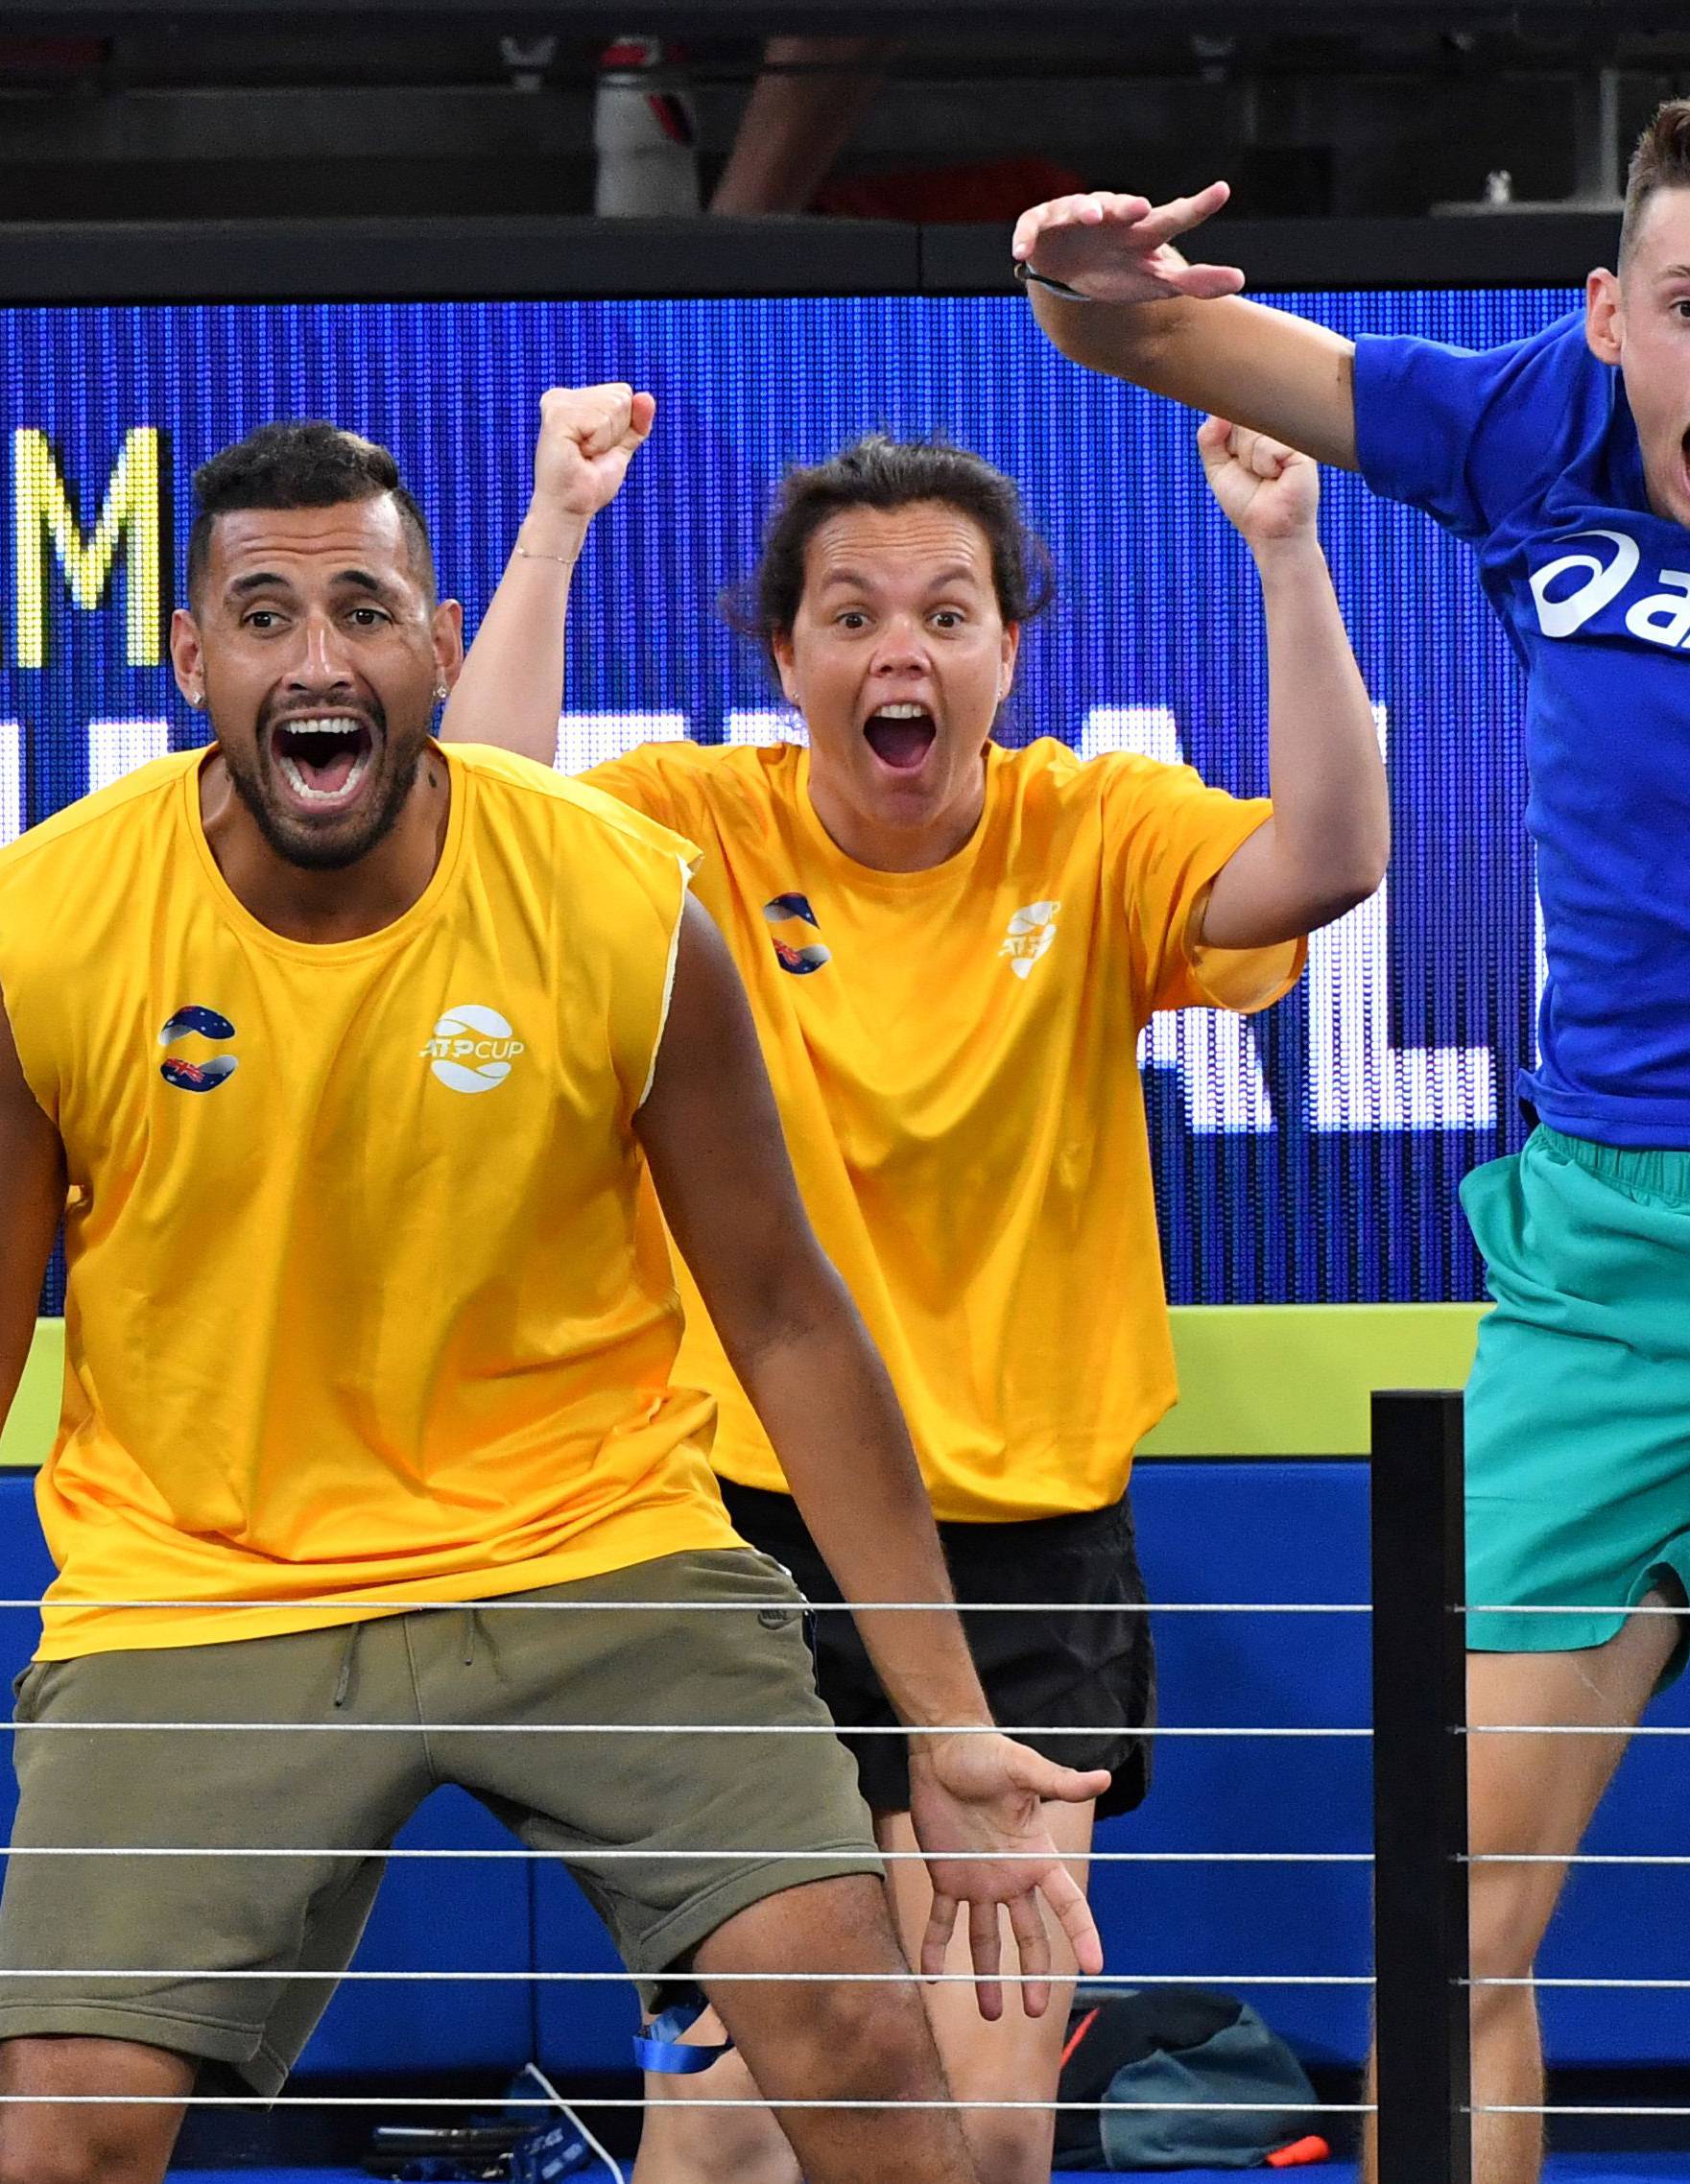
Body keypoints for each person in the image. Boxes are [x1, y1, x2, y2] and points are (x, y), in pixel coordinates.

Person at [0, 420, 1112, 2184]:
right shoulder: (45, 924)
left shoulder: (614, 904)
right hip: (198, 1582)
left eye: (364, 608)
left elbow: (785, 1312)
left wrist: (950, 1726)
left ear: (443, 646)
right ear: (191, 659)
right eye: (265, 614)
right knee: (58, 2132)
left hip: (595, 1546)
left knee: (875, 2065)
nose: (319, 659)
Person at [1012, 83, 1690, 2184]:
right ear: (1605, 320)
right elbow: (1140, 331)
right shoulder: (1523, 434)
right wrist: (1073, 275)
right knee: (1440, 1906)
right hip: (1612, 1264)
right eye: (1689, 308)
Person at [442, 388, 1389, 2182]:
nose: (904, 650)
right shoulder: (691, 829)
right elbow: (485, 818)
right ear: (788, 655)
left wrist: (1288, 548)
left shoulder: (1096, 835)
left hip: (1029, 1551)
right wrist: (558, 522)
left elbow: (1329, 859)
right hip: (745, 1537)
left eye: (948, 613)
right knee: (727, 2142)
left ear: (1007, 650)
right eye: (855, 614)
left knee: (981, 2134)